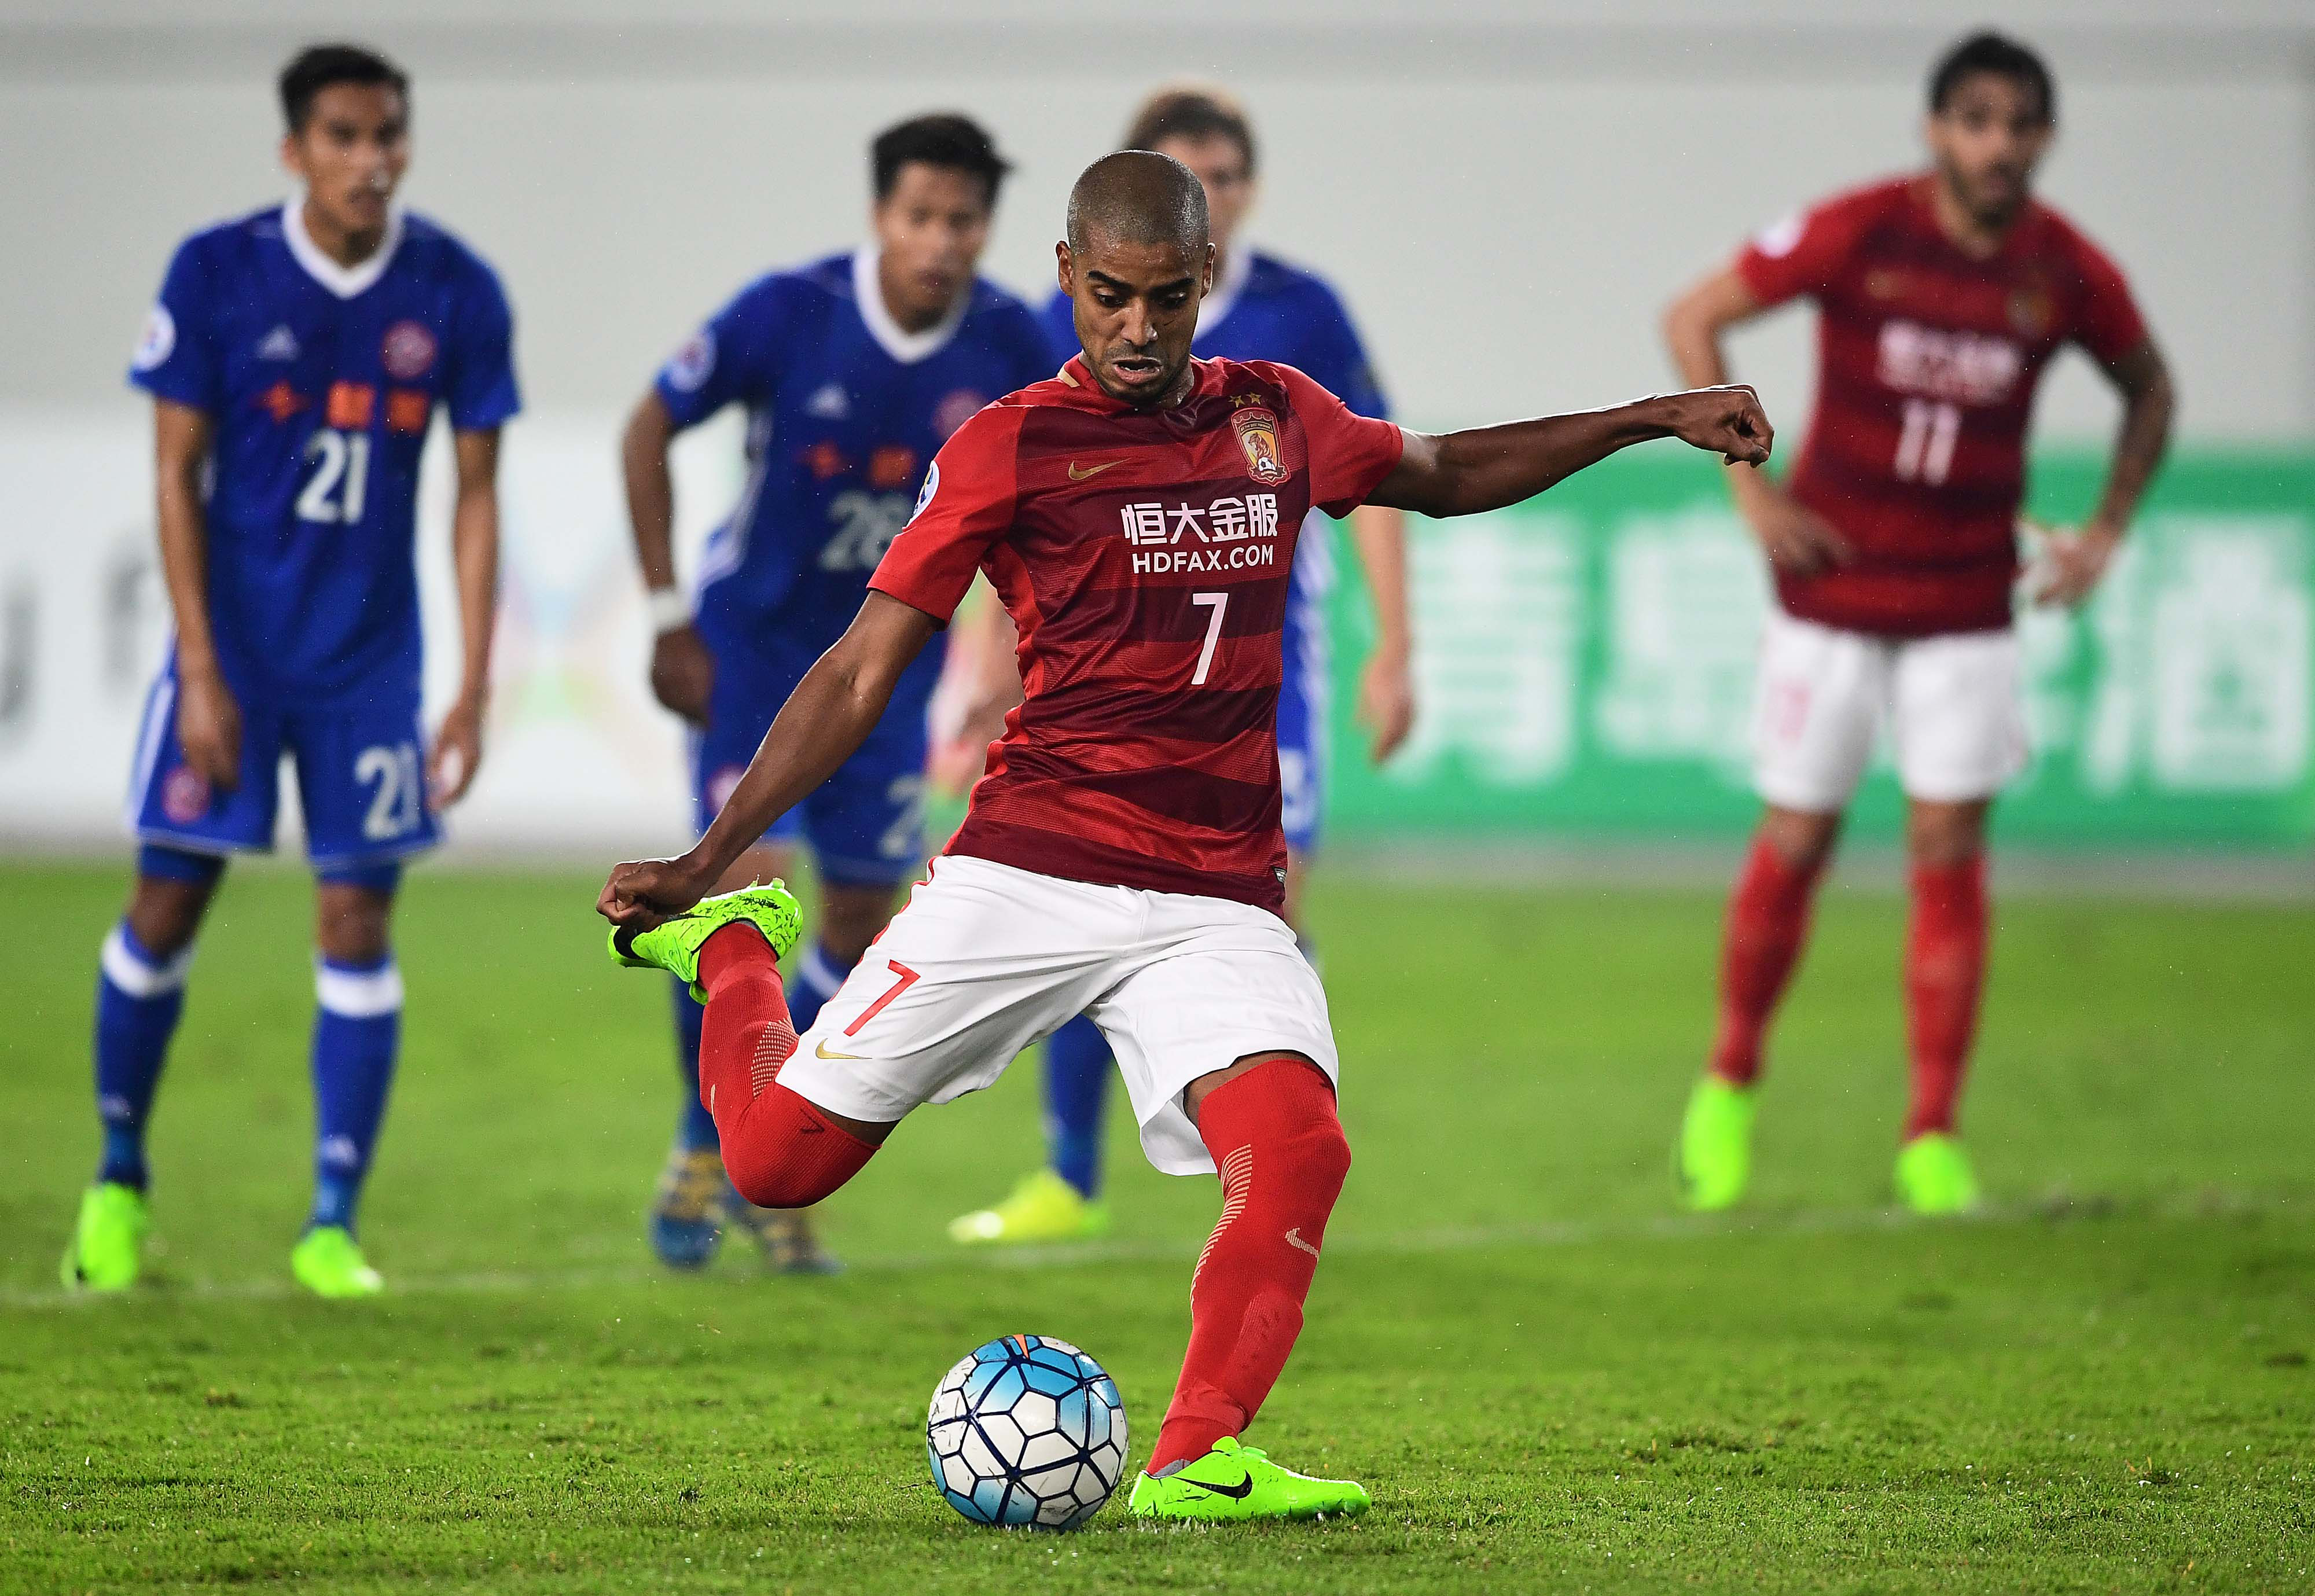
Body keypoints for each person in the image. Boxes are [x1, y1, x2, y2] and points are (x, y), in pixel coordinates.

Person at [598, 150, 1770, 1518]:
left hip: (1215, 894)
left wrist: (1651, 416)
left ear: (1206, 279)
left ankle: (1194, 1453)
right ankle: (739, 948)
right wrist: (707, 857)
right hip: (1030, 867)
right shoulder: (1008, 444)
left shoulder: (1277, 418)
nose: (1138, 330)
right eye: (1109, 297)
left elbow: (1444, 471)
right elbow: (861, 670)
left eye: (1166, 297)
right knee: (774, 1163)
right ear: (1065, 278)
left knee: (1300, 1143)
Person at [1661, 31, 2173, 1215]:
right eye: (1975, 120)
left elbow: (2148, 385)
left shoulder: (2062, 271)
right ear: (1936, 130)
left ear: (2041, 138)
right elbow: (1693, 318)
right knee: (1794, 840)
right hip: (1829, 592)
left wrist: (2101, 530)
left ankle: (1930, 1131)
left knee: (1946, 851)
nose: (1997, 144)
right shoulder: (1860, 232)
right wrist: (1751, 489)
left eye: (2017, 123)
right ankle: (1729, 1077)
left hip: (1961, 607)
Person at [61, 43, 519, 1297]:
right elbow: (173, 474)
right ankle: (116, 1178)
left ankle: (329, 1219)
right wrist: (199, 670)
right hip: (239, 657)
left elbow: (475, 498)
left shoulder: (455, 290)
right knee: (168, 898)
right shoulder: (216, 272)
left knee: (356, 914)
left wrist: (473, 682)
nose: (370, 160)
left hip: (370, 668)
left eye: (387, 136)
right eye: (343, 136)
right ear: (294, 150)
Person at [944, 84, 1416, 1249]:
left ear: (1235, 198)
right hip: (1111, 673)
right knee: (1080, 890)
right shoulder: (1108, 318)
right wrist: (982, 667)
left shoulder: (1304, 313)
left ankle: (1269, 1159)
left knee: (1270, 902)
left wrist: (1396, 645)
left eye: (1226, 167)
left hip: (1263, 678)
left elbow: (1388, 477)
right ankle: (1068, 1170)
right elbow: (1030, 516)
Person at [619, 113, 1051, 1273]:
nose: (940, 241)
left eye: (962, 220)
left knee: (857, 919)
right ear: (879, 217)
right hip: (755, 651)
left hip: (889, 659)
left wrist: (1004, 659)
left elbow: (1053, 505)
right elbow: (647, 425)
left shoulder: (1014, 339)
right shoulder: (786, 311)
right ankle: (712, 1136)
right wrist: (667, 615)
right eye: (919, 216)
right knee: (741, 893)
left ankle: (760, 1124)